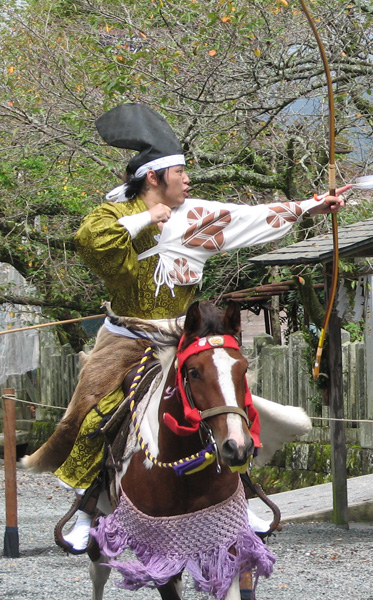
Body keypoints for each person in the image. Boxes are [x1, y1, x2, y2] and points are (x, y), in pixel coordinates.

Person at [22, 103, 348, 552]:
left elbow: (251, 217)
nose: (188, 180)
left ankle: (239, 491)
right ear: (154, 177)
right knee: (98, 413)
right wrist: (144, 219)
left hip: (181, 336)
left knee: (225, 399)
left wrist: (314, 205)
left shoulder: (194, 217)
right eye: (180, 172)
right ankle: (89, 504)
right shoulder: (110, 215)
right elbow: (90, 244)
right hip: (126, 339)